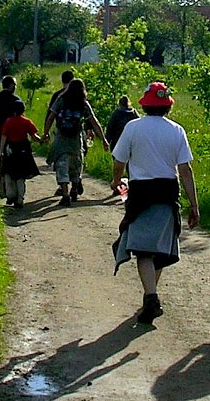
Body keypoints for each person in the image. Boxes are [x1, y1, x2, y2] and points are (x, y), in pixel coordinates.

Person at [110, 82, 199, 325]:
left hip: (140, 194)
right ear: (168, 106)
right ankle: (150, 298)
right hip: (167, 193)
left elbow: (119, 160)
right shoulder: (177, 131)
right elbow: (185, 169)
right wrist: (194, 205)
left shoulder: (133, 128)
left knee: (143, 250)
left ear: (145, 104)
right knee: (158, 250)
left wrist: (116, 181)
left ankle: (151, 297)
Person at [44, 78, 109, 206]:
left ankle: (65, 194)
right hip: (76, 139)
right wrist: (104, 139)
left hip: (61, 138)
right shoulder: (83, 104)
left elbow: (51, 116)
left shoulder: (61, 100)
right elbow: (94, 122)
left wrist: (45, 133)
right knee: (76, 163)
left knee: (61, 163)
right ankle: (74, 190)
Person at [0, 101, 43, 209]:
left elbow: (4, 137)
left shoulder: (8, 121)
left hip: (11, 151)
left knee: (9, 175)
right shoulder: (27, 122)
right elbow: (34, 136)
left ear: (13, 110)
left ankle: (11, 195)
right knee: (21, 177)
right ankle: (20, 199)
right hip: (23, 150)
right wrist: (41, 140)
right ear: (23, 110)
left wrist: (1, 151)